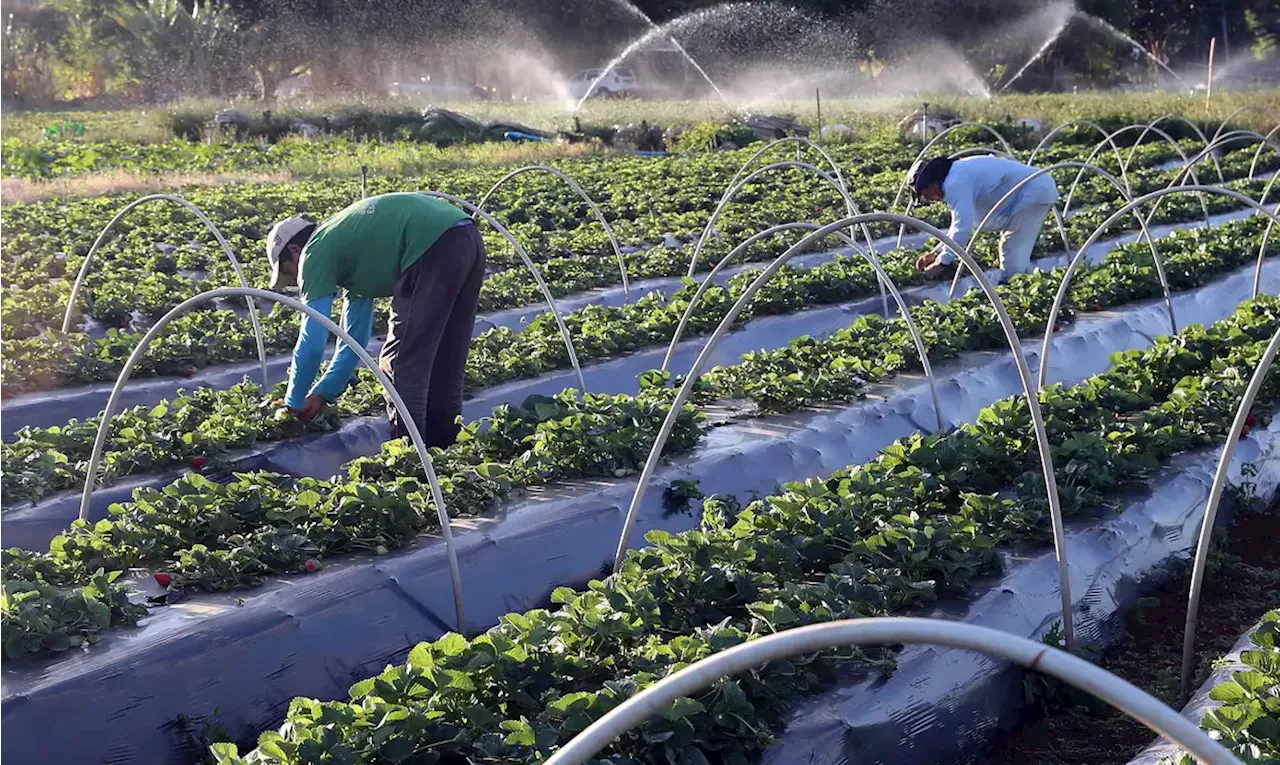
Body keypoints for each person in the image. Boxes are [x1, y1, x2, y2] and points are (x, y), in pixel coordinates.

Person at [266, 192, 486, 447]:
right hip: (465, 235)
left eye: (287, 272)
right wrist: (322, 392)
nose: (295, 280)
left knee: (400, 363)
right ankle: (443, 451)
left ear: (295, 251)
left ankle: (412, 459)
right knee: (445, 358)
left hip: (431, 244)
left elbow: (314, 339)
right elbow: (353, 342)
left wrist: (293, 403)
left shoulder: (315, 251)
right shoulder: (348, 250)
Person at [909, 155, 1059, 282]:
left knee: (1012, 251)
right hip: (1031, 190)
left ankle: (1017, 292)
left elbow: (962, 227)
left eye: (926, 195)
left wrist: (942, 263)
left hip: (1034, 192)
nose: (931, 200)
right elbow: (958, 226)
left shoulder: (955, 183)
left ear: (932, 185)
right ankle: (1027, 282)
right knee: (1015, 249)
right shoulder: (956, 174)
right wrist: (936, 253)